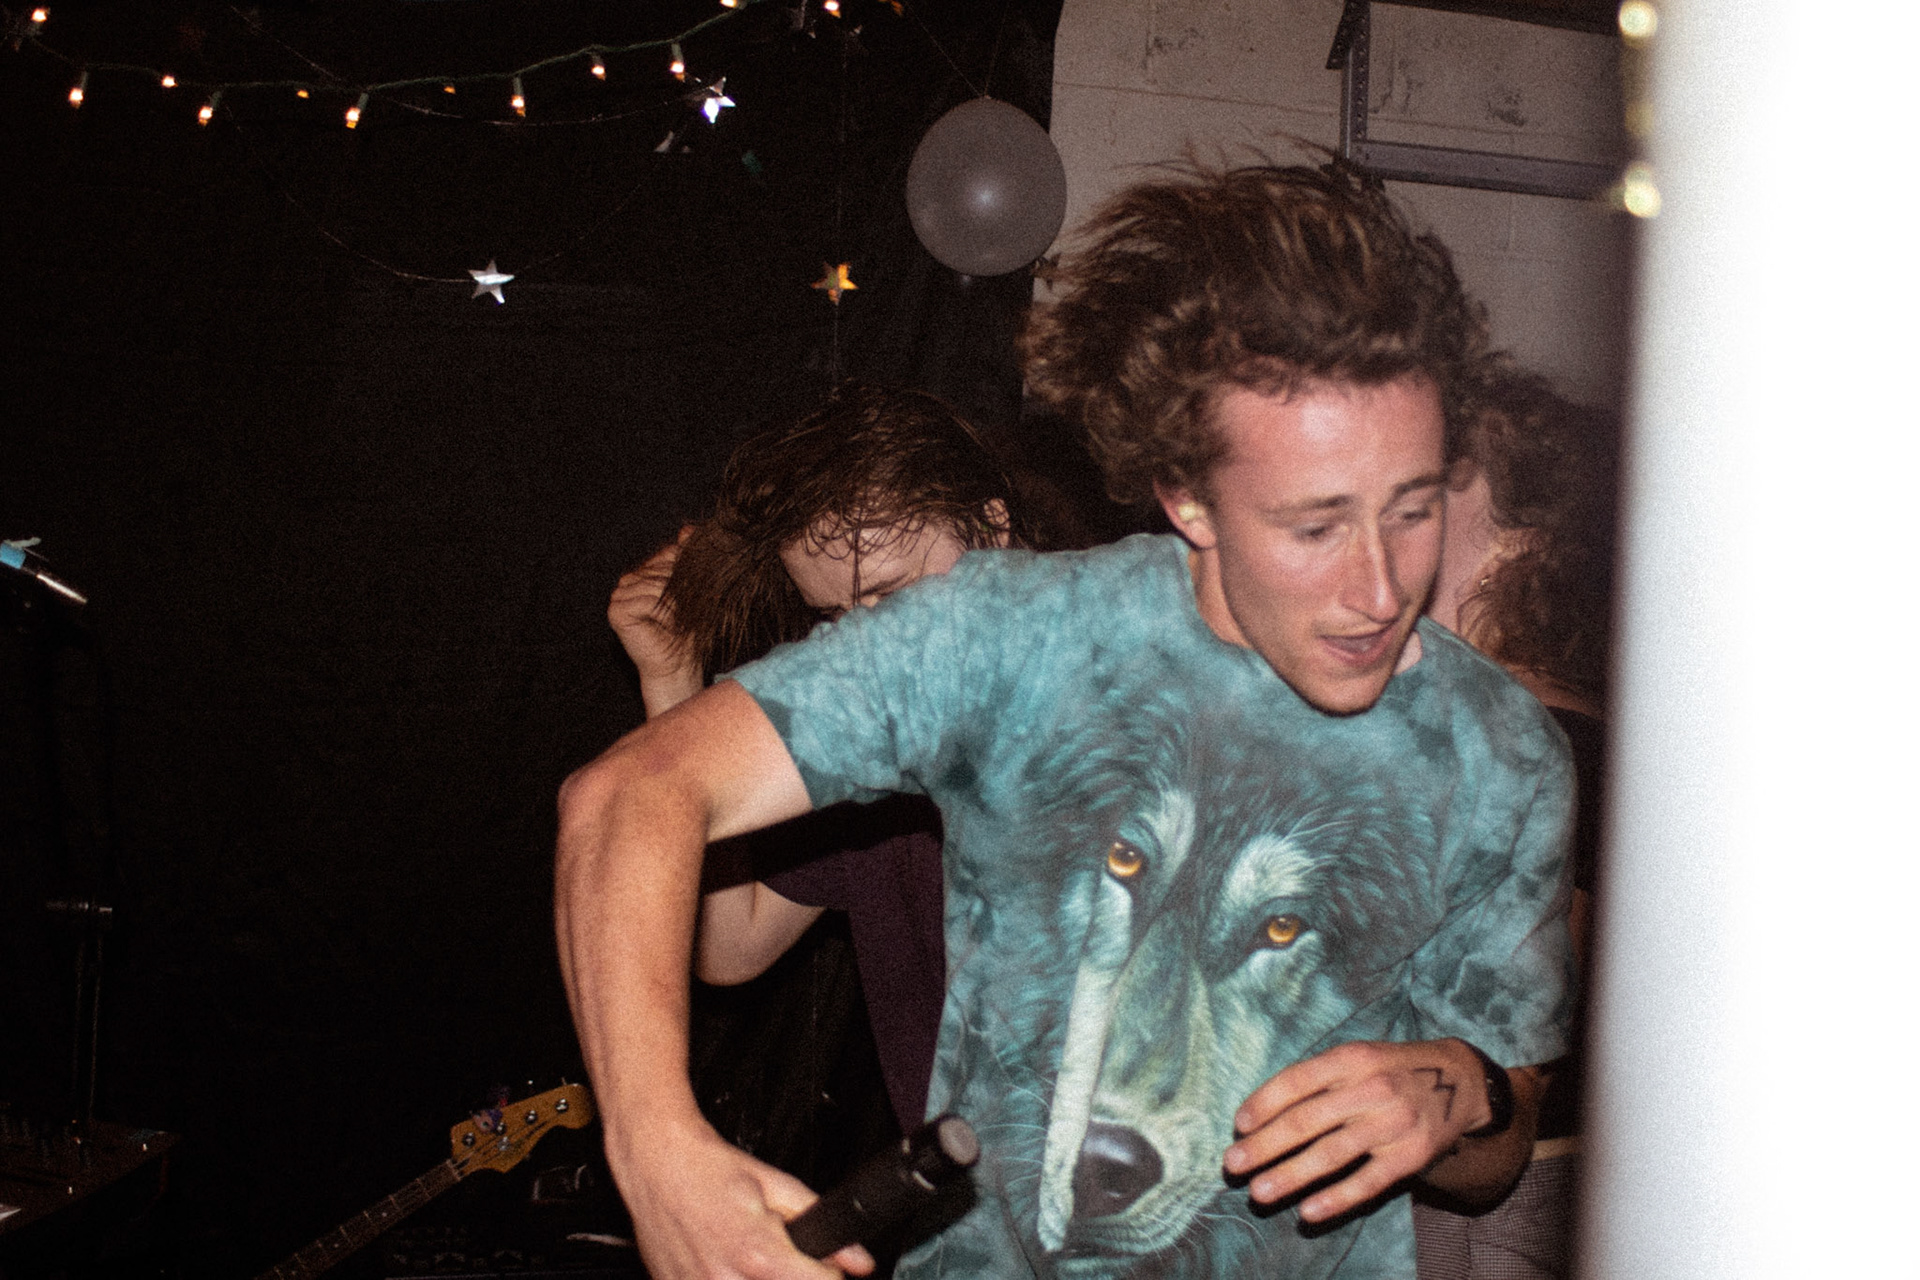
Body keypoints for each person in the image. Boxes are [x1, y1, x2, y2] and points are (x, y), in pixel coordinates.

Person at [555, 159, 1575, 1280]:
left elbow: (1502, 1144)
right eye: (1313, 527)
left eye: (1413, 510)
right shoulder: (1008, 637)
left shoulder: (1503, 751)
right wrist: (658, 1150)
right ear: (1189, 498)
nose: (1380, 590)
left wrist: (1459, 1092)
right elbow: (631, 794)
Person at [606, 384, 1025, 1132]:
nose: (863, 643)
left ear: (991, 529)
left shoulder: (1128, 679)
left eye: (891, 595)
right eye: (833, 614)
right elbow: (730, 946)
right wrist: (673, 685)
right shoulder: (865, 740)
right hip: (973, 1191)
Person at [1415, 371, 1619, 1280]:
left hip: (1490, 1215)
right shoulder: (1585, 736)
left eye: (1431, 488)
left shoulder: (1530, 747)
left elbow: (1508, 1061)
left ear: (1517, 549)